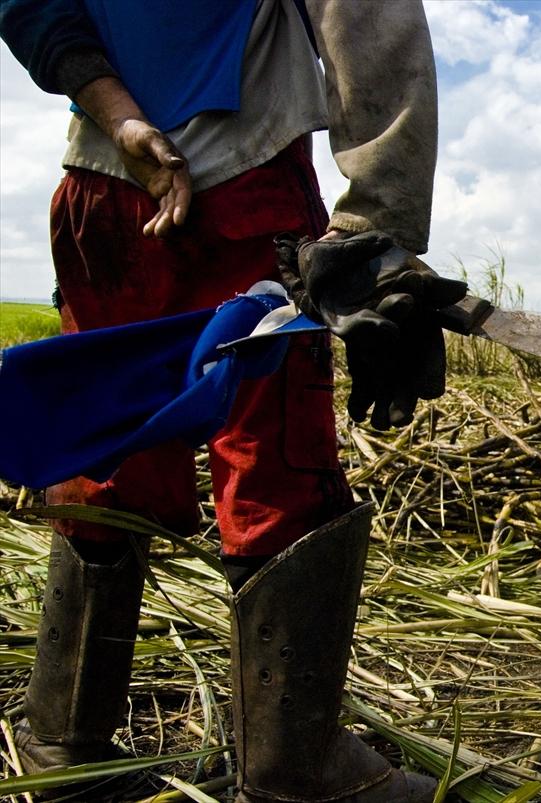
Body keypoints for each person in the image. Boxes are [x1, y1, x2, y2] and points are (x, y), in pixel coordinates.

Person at [0, 1, 462, 800]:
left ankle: (62, 740)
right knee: (276, 466)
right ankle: (294, 766)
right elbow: (365, 16)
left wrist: (125, 123)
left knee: (107, 448)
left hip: (104, 193)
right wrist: (375, 223)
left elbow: (35, 8)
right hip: (243, 190)